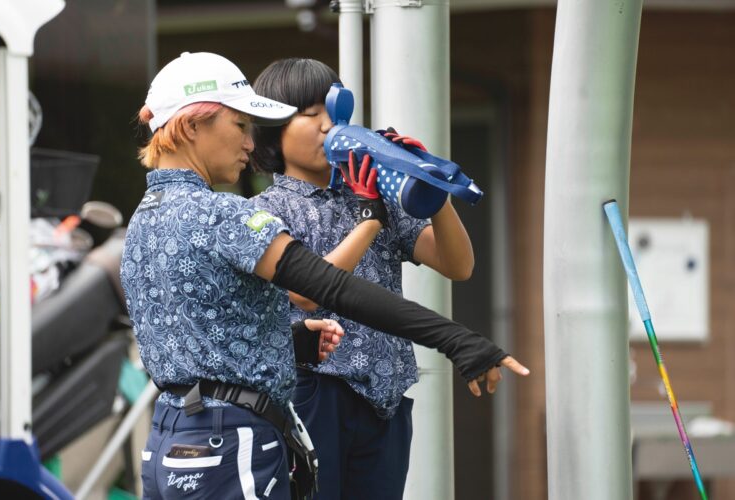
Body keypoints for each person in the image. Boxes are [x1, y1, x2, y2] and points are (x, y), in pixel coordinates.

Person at [122, 51, 527, 500]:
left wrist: (291, 341)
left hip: (173, 435)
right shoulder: (225, 214)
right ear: (192, 124)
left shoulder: (144, 218)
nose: (249, 142)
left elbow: (205, 330)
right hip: (235, 436)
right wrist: (456, 338)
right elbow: (326, 288)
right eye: (240, 126)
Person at [249, 58, 518, 499]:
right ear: (271, 129)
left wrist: (427, 184)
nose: (325, 126)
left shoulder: (373, 193)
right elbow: (305, 293)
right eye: (309, 114)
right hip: (314, 392)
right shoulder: (268, 210)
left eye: (332, 113)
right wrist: (369, 221)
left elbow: (459, 265)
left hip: (385, 396)